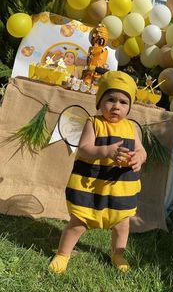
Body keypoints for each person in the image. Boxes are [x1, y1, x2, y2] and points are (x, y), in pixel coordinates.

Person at [49, 70, 147, 274]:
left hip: (119, 189)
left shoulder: (131, 128)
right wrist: (106, 151)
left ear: (129, 107)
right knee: (79, 222)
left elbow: (141, 150)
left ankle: (117, 253)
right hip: (92, 186)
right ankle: (63, 254)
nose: (116, 106)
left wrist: (139, 157)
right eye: (110, 99)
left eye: (123, 102)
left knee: (122, 224)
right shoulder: (93, 123)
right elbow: (84, 148)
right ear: (99, 101)